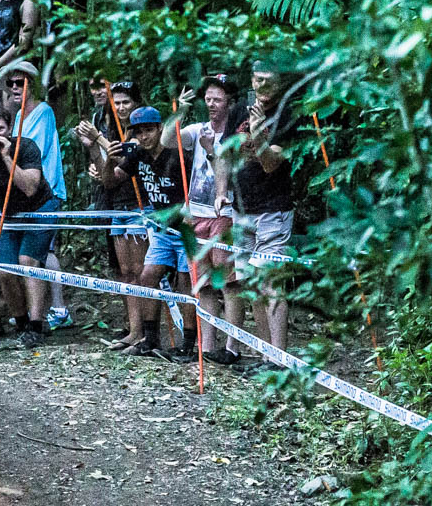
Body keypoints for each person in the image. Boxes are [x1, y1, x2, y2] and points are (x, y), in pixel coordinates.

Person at [91, 105, 193, 358]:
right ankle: (150, 338)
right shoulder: (137, 155)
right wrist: (110, 159)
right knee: (148, 276)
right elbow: (110, 181)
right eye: (139, 132)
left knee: (185, 283)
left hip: (184, 227)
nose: (144, 137)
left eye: (149, 130)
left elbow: (195, 186)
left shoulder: (177, 155)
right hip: (160, 227)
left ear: (160, 128)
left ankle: (190, 343)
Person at [226, 66, 306, 356]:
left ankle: (280, 357)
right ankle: (265, 354)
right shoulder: (239, 109)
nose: (262, 86)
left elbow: (272, 163)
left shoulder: (287, 114)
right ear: (252, 80)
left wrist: (258, 133)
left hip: (273, 208)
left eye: (269, 81)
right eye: (258, 80)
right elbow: (226, 153)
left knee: (270, 282)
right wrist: (221, 192)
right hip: (241, 206)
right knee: (250, 282)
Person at [0, 106, 59, 347]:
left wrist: (7, 158)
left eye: (0, 129)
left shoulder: (27, 146)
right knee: (5, 270)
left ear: (9, 129)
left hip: (39, 208)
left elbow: (30, 187)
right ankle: (22, 322)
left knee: (28, 261)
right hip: (9, 213)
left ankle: (36, 324)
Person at [0, 59, 72, 330]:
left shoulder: (43, 112)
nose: (14, 88)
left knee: (40, 253)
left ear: (32, 85)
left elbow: (30, 150)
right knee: (35, 254)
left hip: (45, 190)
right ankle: (44, 310)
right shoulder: (18, 116)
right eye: (11, 83)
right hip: (24, 195)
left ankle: (57, 310)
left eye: (20, 82)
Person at [171, 76, 240, 364]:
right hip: (196, 213)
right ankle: (208, 346)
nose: (211, 104)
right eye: (208, 99)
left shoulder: (237, 134)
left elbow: (229, 170)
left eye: (217, 99)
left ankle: (232, 346)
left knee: (229, 283)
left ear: (230, 103)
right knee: (204, 283)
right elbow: (167, 141)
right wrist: (180, 111)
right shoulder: (198, 129)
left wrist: (211, 148)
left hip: (223, 215)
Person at [76, 79, 148, 340]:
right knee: (125, 272)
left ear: (136, 103)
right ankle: (134, 330)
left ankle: (147, 331)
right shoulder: (115, 131)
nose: (121, 107)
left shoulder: (144, 130)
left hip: (141, 205)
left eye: (126, 102)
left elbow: (129, 157)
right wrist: (94, 151)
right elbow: (109, 176)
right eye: (116, 103)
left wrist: (98, 138)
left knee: (141, 272)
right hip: (118, 204)